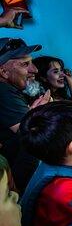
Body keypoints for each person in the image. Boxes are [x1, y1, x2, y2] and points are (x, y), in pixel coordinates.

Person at [0, 37, 51, 191]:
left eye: (32, 62)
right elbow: (32, 135)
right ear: (3, 71)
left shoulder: (12, 89)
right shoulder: (3, 91)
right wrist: (37, 114)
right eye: (25, 64)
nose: (34, 70)